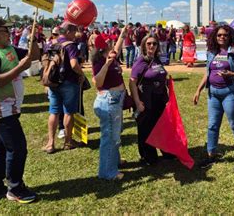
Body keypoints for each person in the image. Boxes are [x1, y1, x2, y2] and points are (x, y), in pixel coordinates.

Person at [0, 18, 40, 203]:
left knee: (0, 150)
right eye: (4, 30)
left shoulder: (7, 49)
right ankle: (15, 188)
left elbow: (33, 56)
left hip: (8, 109)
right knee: (17, 149)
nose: (8, 33)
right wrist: (20, 67)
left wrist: (32, 40)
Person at [193, 25, 234, 172]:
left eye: (225, 35)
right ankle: (211, 154)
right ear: (215, 36)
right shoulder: (212, 53)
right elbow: (208, 72)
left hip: (230, 93)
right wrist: (198, 90)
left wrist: (231, 74)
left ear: (230, 36)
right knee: (212, 125)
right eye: (219, 35)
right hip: (213, 94)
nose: (222, 37)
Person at [129, 34, 173, 165]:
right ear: (143, 46)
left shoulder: (157, 59)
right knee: (145, 129)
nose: (152, 46)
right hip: (146, 100)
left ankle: (166, 152)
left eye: (154, 43)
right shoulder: (140, 62)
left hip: (159, 98)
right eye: (149, 44)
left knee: (161, 126)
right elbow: (132, 83)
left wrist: (167, 81)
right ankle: (148, 156)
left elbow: (159, 74)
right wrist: (137, 102)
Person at [43, 22, 85, 153]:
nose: (75, 35)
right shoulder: (71, 45)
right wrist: (82, 74)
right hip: (68, 82)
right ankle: (68, 141)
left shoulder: (52, 43)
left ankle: (50, 143)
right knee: (68, 112)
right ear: (68, 32)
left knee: (54, 111)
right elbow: (74, 64)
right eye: (73, 32)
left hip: (54, 82)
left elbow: (46, 61)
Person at [92, 29, 127, 180]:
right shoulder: (100, 61)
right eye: (110, 41)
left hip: (115, 100)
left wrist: (122, 35)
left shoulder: (111, 55)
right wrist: (106, 65)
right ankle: (107, 172)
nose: (113, 42)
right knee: (110, 137)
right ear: (104, 45)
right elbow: (97, 82)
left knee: (115, 133)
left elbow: (117, 48)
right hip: (109, 100)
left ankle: (115, 161)